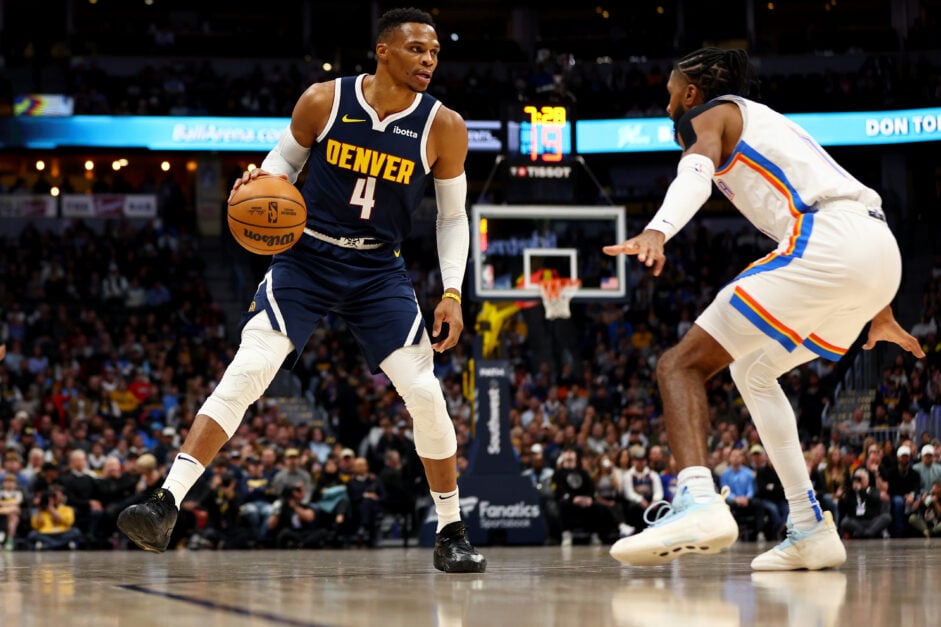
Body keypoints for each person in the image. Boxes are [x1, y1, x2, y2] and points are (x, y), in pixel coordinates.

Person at [117, 7, 484, 573]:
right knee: (249, 369)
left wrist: (453, 292)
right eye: (416, 49)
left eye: (435, 52)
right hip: (306, 253)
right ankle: (164, 502)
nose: (429, 61)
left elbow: (453, 219)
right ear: (383, 50)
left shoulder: (444, 126)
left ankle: (451, 529)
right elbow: (283, 163)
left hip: (377, 270)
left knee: (425, 392)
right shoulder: (324, 100)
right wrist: (261, 181)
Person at [603, 47, 925, 571]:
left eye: (669, 96)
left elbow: (695, 174)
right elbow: (854, 206)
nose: (666, 110)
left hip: (829, 240)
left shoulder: (709, 113)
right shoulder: (763, 122)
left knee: (679, 365)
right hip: (878, 250)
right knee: (753, 371)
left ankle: (698, 498)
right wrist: (880, 308)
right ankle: (809, 526)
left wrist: (658, 228)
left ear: (690, 94)